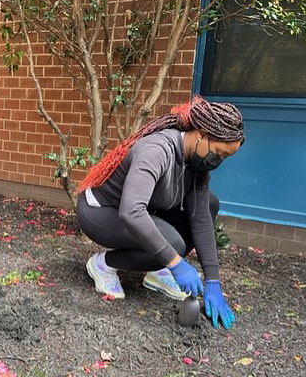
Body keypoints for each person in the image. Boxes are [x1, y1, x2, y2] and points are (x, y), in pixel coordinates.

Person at [76, 97, 244, 329]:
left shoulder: (197, 164)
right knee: (172, 245)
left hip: (136, 211)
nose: (218, 161)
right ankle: (104, 264)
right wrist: (176, 262)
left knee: (209, 204)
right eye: (219, 153)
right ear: (202, 134)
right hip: (100, 211)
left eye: (224, 158)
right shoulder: (157, 150)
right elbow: (132, 212)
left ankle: (158, 270)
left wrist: (213, 280)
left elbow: (201, 218)